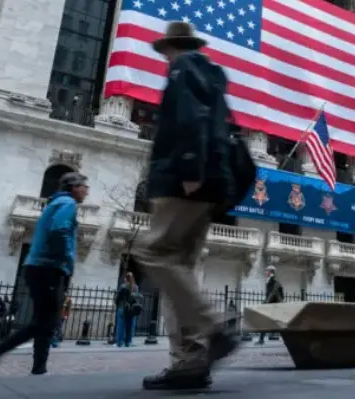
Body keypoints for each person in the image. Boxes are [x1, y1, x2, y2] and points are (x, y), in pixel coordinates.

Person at [130, 21, 247, 390]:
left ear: (171, 47)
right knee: (179, 266)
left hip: (185, 179)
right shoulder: (212, 74)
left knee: (152, 251)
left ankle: (216, 325)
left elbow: (191, 118)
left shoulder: (185, 67)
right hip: (209, 184)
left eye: (164, 52)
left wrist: (191, 166)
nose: (164, 58)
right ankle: (189, 363)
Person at [0, 172, 88, 376]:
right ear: (72, 187)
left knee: (44, 321)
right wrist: (66, 258)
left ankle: (39, 368)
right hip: (49, 268)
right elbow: (59, 230)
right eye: (83, 186)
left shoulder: (56, 203)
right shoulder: (67, 204)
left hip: (39, 267)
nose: (86, 191)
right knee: (46, 322)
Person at [256, 266, 284, 345]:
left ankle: (262, 339)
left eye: (267, 271)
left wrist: (266, 302)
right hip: (272, 305)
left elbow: (273, 294)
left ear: (271, 273)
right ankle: (261, 339)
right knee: (266, 322)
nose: (265, 272)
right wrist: (265, 301)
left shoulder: (274, 283)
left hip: (274, 306)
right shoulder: (269, 282)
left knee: (278, 324)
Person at [115, 272, 141, 348]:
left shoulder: (123, 286)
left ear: (125, 279)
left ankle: (120, 342)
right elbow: (136, 298)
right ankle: (128, 342)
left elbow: (118, 297)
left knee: (121, 326)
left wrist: (117, 304)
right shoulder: (136, 287)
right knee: (130, 325)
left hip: (122, 308)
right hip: (131, 309)